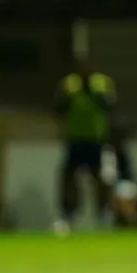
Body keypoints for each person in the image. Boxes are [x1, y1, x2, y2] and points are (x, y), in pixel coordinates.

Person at [53, 55, 117, 235]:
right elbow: (58, 107)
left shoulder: (102, 82)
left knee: (100, 179)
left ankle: (103, 215)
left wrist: (93, 92)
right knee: (69, 178)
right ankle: (67, 215)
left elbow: (110, 104)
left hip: (96, 139)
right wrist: (67, 97)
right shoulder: (68, 84)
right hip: (75, 138)